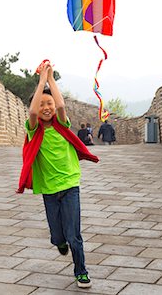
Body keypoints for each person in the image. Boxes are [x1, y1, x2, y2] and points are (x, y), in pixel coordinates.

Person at [16, 61, 99, 288]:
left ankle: (81, 271)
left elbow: (62, 107)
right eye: (42, 103)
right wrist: (41, 81)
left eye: (49, 103)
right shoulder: (34, 129)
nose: (46, 107)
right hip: (50, 190)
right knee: (58, 236)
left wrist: (51, 80)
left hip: (70, 184)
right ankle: (59, 242)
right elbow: (32, 111)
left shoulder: (63, 123)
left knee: (74, 235)